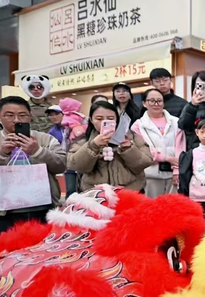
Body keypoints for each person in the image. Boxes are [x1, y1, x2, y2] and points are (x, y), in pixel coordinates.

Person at [0, 97, 66, 233]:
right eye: (9, 115)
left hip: (43, 207)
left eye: (22, 115)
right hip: (5, 211)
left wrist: (37, 151)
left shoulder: (45, 138)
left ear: (30, 117)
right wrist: (2, 153)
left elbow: (61, 165)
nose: (17, 120)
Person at [68, 101, 153, 192]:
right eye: (99, 119)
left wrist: (128, 148)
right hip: (97, 195)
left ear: (117, 120)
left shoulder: (132, 136)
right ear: (91, 120)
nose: (105, 122)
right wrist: (93, 145)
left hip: (130, 192)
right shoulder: (83, 140)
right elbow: (76, 165)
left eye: (111, 118)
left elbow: (145, 162)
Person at [131, 89, 185, 198]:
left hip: (172, 173)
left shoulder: (176, 122)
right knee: (153, 208)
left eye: (159, 101)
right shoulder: (138, 125)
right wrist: (165, 158)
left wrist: (177, 171)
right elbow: (142, 149)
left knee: (173, 207)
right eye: (152, 101)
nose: (156, 104)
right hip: (151, 174)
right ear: (144, 103)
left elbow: (181, 146)